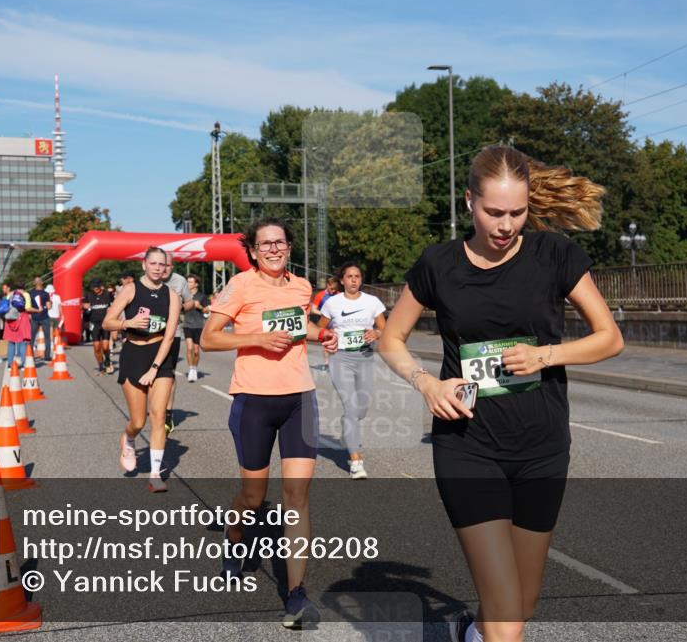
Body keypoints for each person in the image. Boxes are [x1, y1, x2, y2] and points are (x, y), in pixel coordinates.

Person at [378, 145, 624, 642]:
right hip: (467, 445)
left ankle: (471, 632)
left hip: (542, 446)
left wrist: (544, 356)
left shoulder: (555, 254)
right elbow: (390, 339)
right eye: (494, 212)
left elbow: (609, 337)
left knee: (522, 603)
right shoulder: (438, 264)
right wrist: (425, 382)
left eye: (518, 212)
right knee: (508, 615)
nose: (507, 224)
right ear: (469, 201)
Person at [201, 217, 337, 629]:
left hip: (300, 398)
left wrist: (322, 336)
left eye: (280, 242)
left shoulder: (300, 287)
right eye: (265, 244)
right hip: (254, 400)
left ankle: (296, 595)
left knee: (297, 497)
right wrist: (255, 339)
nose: (274, 249)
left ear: (289, 247)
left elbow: (299, 326)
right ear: (254, 251)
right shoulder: (240, 285)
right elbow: (209, 337)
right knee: (253, 497)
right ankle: (234, 540)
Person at [103, 247, 181, 493]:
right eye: (154, 263)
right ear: (144, 265)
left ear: (168, 268)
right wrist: (128, 323)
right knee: (138, 421)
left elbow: (169, 337)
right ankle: (129, 439)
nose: (158, 268)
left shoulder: (173, 296)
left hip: (160, 356)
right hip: (134, 354)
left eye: (163, 264)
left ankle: (155, 473)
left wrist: (155, 368)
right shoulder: (131, 289)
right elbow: (108, 321)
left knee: (158, 417)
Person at [318, 262, 387, 480]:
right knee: (350, 407)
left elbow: (384, 328)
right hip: (341, 358)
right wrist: (329, 337)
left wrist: (376, 333)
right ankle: (356, 461)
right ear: (342, 280)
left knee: (361, 409)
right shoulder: (333, 303)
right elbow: (320, 328)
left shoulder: (372, 302)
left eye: (357, 276)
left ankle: (347, 425)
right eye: (349, 276)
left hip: (365, 357)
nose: (354, 280)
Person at [159, 252, 195, 432]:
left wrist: (179, 306)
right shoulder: (146, 280)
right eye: (159, 264)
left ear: (172, 266)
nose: (162, 268)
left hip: (173, 333)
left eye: (167, 265)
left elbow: (190, 303)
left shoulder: (180, 281)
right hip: (149, 335)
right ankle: (153, 407)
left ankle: (167, 414)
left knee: (168, 374)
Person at [83, 279, 114, 375]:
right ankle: (101, 365)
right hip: (94, 323)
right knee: (96, 347)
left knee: (105, 347)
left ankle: (107, 360)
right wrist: (86, 320)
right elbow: (85, 308)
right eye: (93, 286)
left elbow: (115, 305)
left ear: (101, 286)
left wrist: (112, 312)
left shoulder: (107, 294)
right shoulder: (88, 295)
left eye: (97, 286)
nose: (95, 288)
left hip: (105, 323)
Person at [1, 281, 33, 370]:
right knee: (22, 342)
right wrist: (38, 310)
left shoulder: (9, 294)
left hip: (10, 320)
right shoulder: (25, 294)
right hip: (22, 318)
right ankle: (23, 364)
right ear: (24, 286)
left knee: (11, 342)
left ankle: (9, 365)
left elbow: (4, 307)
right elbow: (28, 308)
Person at [183, 274, 208, 382]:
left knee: (196, 350)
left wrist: (200, 307)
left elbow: (207, 310)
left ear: (196, 284)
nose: (188, 284)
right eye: (187, 281)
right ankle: (191, 369)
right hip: (187, 324)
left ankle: (195, 368)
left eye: (190, 282)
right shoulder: (185, 295)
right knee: (189, 348)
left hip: (198, 325)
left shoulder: (202, 296)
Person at [30, 277, 52, 363]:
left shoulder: (31, 293)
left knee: (31, 338)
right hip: (44, 317)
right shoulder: (46, 294)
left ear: (34, 283)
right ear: (42, 283)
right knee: (47, 338)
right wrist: (49, 305)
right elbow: (49, 307)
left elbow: (28, 307)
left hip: (34, 318)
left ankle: (31, 356)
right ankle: (47, 356)